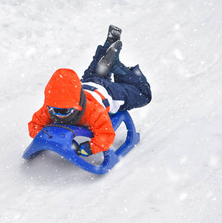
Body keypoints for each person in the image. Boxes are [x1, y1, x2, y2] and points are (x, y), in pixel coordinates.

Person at [28, 25, 152, 157]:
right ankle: (109, 45)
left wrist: (89, 148)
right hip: (87, 83)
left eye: (65, 111)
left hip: (108, 92)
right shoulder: (50, 108)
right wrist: (48, 138)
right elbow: (34, 126)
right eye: (53, 109)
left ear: (77, 106)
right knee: (96, 71)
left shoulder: (93, 111)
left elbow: (106, 134)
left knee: (143, 94)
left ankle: (118, 68)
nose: (58, 115)